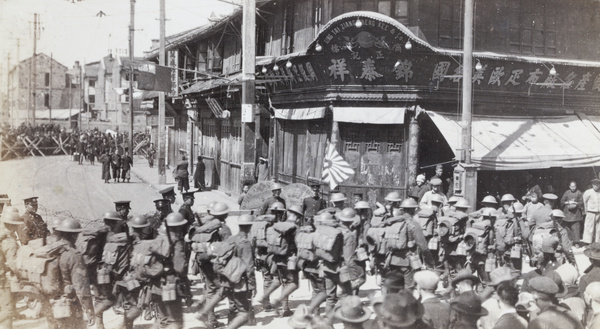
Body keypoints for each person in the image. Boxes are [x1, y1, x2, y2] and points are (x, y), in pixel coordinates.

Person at [51, 218, 95, 328]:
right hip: (70, 305)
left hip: (53, 303)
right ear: (74, 235)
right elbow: (81, 287)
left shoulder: (53, 250)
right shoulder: (74, 256)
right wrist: (89, 310)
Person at [0, 208, 22, 329]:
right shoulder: (9, 241)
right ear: (13, 225)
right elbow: (14, 264)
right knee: (8, 311)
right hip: (2, 281)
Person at [560, 181, 584, 245]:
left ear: (576, 186)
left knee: (576, 229)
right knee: (567, 228)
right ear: (569, 186)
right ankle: (569, 241)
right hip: (567, 213)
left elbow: (581, 202)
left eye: (574, 186)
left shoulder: (579, 192)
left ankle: (576, 242)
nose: (573, 188)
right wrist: (568, 202)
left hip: (576, 214)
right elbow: (562, 201)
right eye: (571, 186)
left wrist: (576, 203)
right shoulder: (567, 192)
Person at [582, 178, 600, 245]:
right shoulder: (588, 192)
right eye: (594, 184)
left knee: (598, 228)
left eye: (597, 184)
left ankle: (597, 242)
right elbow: (584, 202)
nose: (596, 186)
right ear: (592, 185)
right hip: (590, 212)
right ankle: (588, 242)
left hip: (599, 212)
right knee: (589, 227)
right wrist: (585, 211)